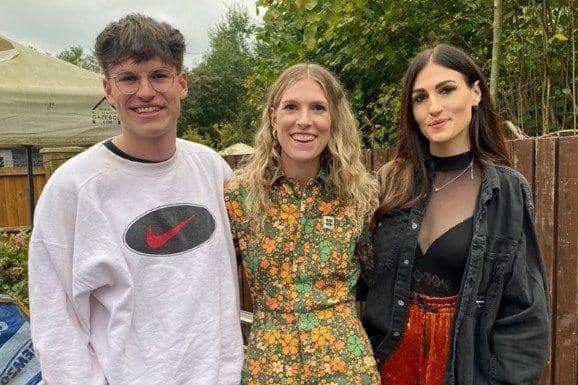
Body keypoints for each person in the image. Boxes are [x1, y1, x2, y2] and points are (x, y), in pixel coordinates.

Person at [28, 14, 243, 385]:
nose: (145, 92)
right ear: (108, 90)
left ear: (182, 83)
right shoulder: (75, 188)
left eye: (158, 75)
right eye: (129, 78)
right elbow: (56, 320)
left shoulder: (212, 170)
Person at [362, 44, 549, 385]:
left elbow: (524, 310)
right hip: (385, 361)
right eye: (420, 98)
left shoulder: (506, 191)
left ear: (475, 92)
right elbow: (353, 274)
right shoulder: (390, 182)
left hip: (464, 366)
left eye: (446, 90)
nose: (433, 107)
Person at [224, 63, 380, 384]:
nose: (304, 120)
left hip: (345, 367)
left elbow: (376, 275)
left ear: (333, 119)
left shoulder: (359, 196)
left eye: (318, 108)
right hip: (269, 367)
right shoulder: (239, 196)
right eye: (291, 106)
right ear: (273, 117)